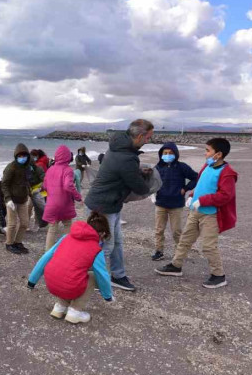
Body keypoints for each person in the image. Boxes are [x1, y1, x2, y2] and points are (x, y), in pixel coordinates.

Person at [155, 138, 238, 289]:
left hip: (210, 215)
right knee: (185, 239)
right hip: (196, 211)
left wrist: (204, 201)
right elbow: (200, 184)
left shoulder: (227, 173)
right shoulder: (207, 166)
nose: (205, 153)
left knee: (208, 246)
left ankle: (218, 275)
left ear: (218, 154)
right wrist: (192, 195)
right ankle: (176, 265)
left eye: (208, 150)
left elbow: (226, 195)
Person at [84, 119, 155, 292]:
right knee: (104, 246)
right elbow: (139, 187)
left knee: (116, 243)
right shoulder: (126, 157)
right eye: (148, 138)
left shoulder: (119, 148)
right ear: (139, 136)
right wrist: (148, 181)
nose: (148, 141)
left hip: (110, 204)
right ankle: (91, 279)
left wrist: (136, 172)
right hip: (102, 206)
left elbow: (121, 171)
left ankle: (118, 275)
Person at [26, 212, 114, 324]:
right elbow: (102, 274)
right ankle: (75, 311)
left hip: (51, 283)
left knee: (68, 271)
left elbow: (46, 257)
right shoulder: (96, 250)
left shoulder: (66, 237)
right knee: (91, 276)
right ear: (101, 233)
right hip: (68, 286)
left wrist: (32, 281)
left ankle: (60, 307)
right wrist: (107, 295)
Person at [151, 143, 199, 261]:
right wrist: (152, 193)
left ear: (176, 154)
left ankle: (179, 252)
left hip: (176, 205)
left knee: (176, 231)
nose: (168, 155)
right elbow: (151, 181)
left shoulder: (182, 167)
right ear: (161, 154)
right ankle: (159, 251)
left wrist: (185, 189)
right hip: (160, 203)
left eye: (170, 153)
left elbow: (196, 177)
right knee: (159, 230)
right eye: (165, 153)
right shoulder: (157, 168)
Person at [42, 146, 83, 251]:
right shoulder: (68, 170)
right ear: (67, 157)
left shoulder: (50, 169)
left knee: (52, 229)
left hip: (51, 204)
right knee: (67, 225)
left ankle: (47, 254)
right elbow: (68, 186)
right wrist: (78, 197)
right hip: (64, 203)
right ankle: (66, 250)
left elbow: (44, 187)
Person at [1, 143, 34, 254]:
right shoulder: (11, 167)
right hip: (12, 200)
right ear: (16, 156)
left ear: (27, 156)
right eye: (19, 156)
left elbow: (27, 181)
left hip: (23, 199)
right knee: (12, 224)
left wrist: (30, 192)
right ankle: (9, 243)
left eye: (24, 156)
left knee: (25, 223)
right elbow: (4, 184)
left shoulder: (28, 167)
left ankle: (18, 242)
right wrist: (8, 199)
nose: (22, 158)